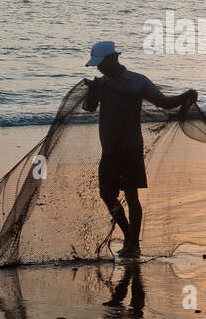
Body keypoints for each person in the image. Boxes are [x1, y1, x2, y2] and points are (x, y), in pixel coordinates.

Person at [81, 41, 197, 258]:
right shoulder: (102, 83)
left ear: (112, 59)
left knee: (132, 197)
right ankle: (128, 235)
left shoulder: (137, 82)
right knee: (107, 194)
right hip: (109, 149)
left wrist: (186, 96)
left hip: (131, 148)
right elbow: (88, 108)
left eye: (100, 64)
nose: (98, 68)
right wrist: (93, 90)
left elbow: (164, 102)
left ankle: (134, 243)